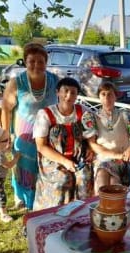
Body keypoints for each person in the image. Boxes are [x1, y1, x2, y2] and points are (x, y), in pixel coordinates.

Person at [1, 42, 58, 210]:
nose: (36, 65)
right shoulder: (16, 83)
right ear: (25, 62)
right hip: (24, 133)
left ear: (46, 63)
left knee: (45, 167)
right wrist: (5, 136)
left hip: (48, 134)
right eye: (31, 61)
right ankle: (22, 198)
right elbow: (6, 109)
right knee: (24, 167)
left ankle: (43, 197)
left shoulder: (54, 80)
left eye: (40, 61)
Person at [32, 78, 93, 211]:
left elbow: (93, 132)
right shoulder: (45, 114)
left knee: (84, 177)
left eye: (73, 92)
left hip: (78, 158)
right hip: (54, 160)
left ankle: (81, 214)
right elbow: (41, 146)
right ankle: (55, 215)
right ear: (57, 92)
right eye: (65, 91)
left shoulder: (82, 111)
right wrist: (65, 162)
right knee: (63, 179)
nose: (69, 96)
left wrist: (89, 148)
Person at [82, 82, 130, 194]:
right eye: (103, 94)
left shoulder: (125, 115)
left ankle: (106, 206)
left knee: (109, 177)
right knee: (106, 174)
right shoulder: (92, 117)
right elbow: (93, 144)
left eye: (110, 94)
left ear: (115, 96)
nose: (106, 98)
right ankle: (105, 205)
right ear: (99, 97)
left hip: (125, 158)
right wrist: (116, 155)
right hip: (103, 158)